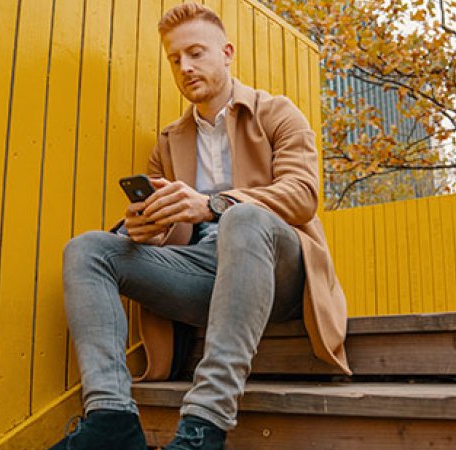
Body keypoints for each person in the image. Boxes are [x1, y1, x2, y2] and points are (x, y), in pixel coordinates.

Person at [53, 3, 350, 449]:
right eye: (175, 59)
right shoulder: (169, 141)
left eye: (195, 53)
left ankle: (203, 425)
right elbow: (174, 227)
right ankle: (111, 417)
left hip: (279, 275)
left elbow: (303, 195)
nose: (185, 67)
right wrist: (146, 228)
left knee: (244, 217)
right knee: (87, 249)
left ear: (226, 52)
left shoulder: (277, 112)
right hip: (204, 278)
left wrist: (214, 205)